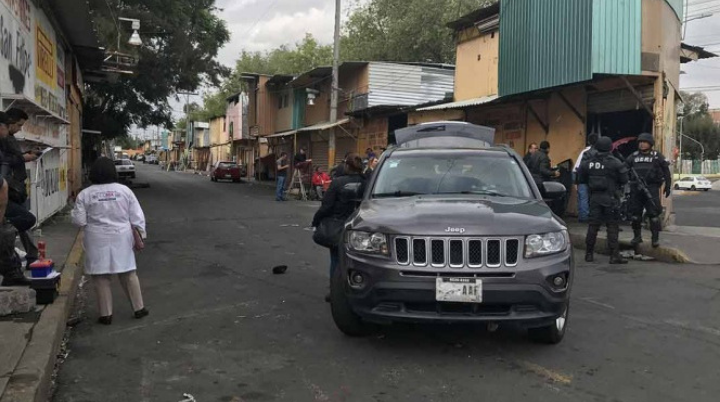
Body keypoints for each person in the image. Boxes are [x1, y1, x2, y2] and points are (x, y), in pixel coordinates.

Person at [71, 158, 149, 325]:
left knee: (101, 277)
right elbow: (137, 216)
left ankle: (106, 315)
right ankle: (139, 308)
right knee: (128, 273)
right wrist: (141, 235)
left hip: (96, 237)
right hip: (122, 236)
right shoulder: (124, 191)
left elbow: (79, 221)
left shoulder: (85, 194)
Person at [312, 153, 366, 302]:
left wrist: (316, 220)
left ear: (347, 166)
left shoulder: (337, 183)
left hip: (339, 226)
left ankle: (335, 291)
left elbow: (326, 206)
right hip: (362, 227)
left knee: (336, 259)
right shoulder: (368, 182)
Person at [578, 137, 629, 264]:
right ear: (610, 148)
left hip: (594, 197)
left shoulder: (588, 162)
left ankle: (589, 254)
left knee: (593, 226)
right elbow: (624, 179)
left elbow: (581, 178)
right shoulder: (615, 162)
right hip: (610, 198)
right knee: (612, 226)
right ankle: (614, 255)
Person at [1, 109, 42, 267]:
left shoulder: (9, 139)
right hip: (10, 188)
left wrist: (24, 155)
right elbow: (8, 160)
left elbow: (10, 158)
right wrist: (23, 157)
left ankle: (26, 256)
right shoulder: (5, 140)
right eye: (18, 125)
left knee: (25, 221)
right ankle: (18, 257)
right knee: (24, 220)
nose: (19, 129)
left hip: (14, 186)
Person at [625, 133, 672, 248]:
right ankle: (637, 237)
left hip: (651, 188)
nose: (641, 144)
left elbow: (666, 171)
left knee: (654, 215)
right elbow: (624, 169)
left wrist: (668, 185)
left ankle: (655, 239)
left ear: (650, 144)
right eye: (640, 142)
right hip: (636, 189)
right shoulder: (633, 156)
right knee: (635, 215)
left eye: (644, 142)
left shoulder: (657, 156)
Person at [573, 133, 599, 222]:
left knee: (583, 198)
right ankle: (594, 218)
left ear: (588, 141)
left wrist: (575, 181)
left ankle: (583, 218)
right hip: (595, 179)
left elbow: (577, 167)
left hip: (582, 178)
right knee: (594, 199)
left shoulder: (584, 152)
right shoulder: (600, 153)